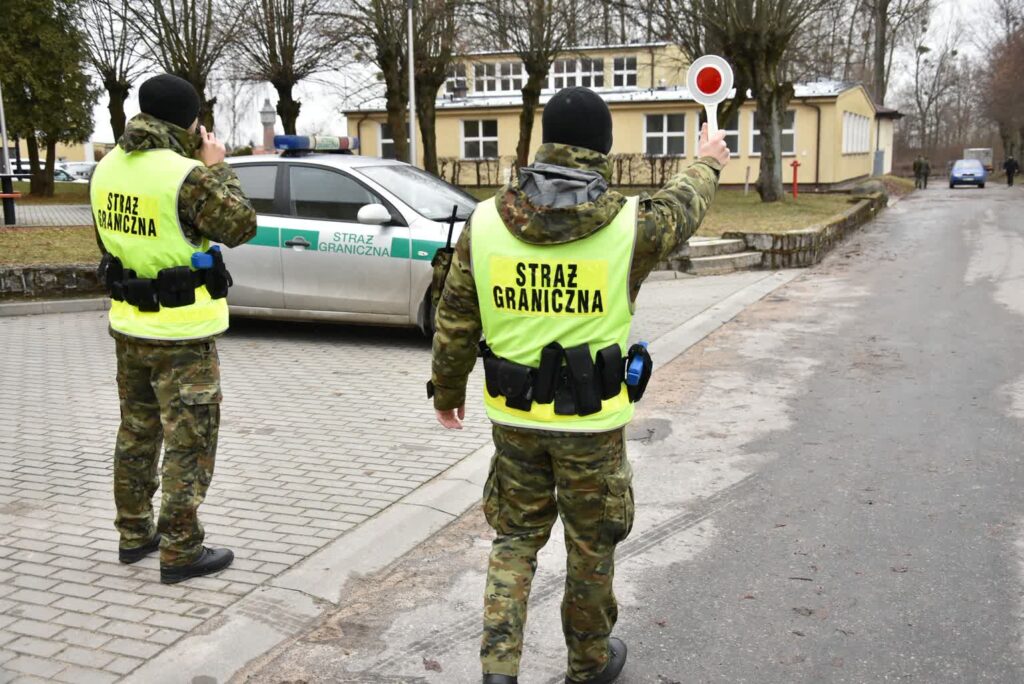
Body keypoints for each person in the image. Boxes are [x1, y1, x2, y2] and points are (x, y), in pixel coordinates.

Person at [428, 87, 729, 684]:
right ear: (604, 150)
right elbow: (683, 209)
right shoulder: (629, 226)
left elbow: (455, 316)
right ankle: (588, 666)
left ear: (545, 143)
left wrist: (448, 391)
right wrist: (708, 159)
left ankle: (498, 671)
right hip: (591, 426)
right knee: (590, 545)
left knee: (514, 539)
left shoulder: (484, 221)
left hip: (514, 421)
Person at [90, 74, 257, 584]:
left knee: (136, 433)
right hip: (182, 335)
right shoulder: (187, 176)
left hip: (129, 326)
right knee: (189, 442)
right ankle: (182, 549)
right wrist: (218, 167)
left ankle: (134, 534)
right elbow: (241, 226)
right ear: (188, 120)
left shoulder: (105, 169)